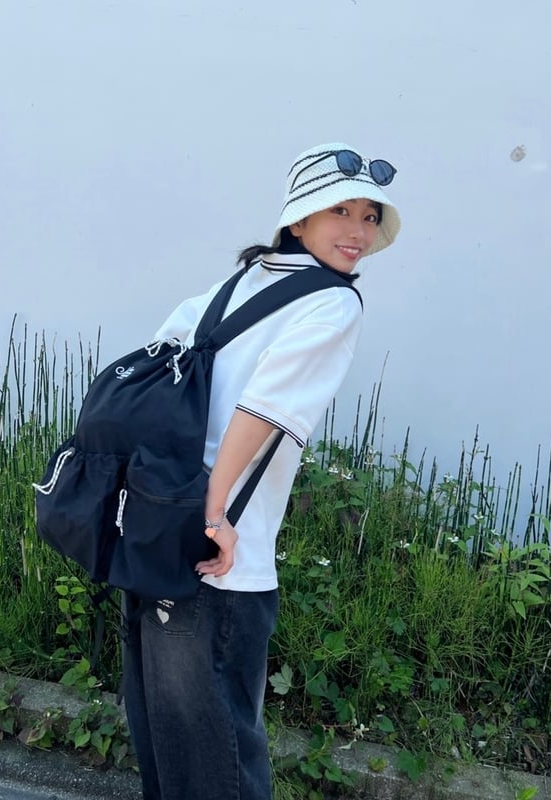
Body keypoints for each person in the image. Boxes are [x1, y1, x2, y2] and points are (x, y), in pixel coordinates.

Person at [122, 142, 401, 800]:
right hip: (222, 555)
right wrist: (216, 515)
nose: (359, 232)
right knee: (220, 753)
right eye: (340, 211)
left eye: (369, 216)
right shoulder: (333, 303)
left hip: (155, 528)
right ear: (298, 218)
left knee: (166, 738)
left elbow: (156, 369)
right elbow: (261, 412)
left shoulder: (238, 285)